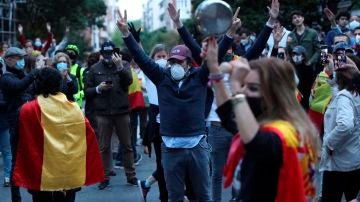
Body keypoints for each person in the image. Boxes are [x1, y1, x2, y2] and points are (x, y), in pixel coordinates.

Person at [205, 37, 320, 201]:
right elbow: (228, 115)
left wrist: (236, 85)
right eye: (244, 85)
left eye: (252, 88)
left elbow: (255, 142)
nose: (243, 91)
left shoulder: (284, 134)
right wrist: (215, 71)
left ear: (273, 95)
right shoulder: (268, 124)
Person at [118, 10, 213, 201]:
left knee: (203, 195)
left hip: (197, 145)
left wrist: (179, 24)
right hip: (170, 147)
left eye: (179, 61)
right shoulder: (162, 78)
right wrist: (126, 35)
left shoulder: (200, 76)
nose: (174, 65)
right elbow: (143, 59)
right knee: (175, 196)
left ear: (188, 63)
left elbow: (208, 58)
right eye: (171, 61)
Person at [12, 67, 104, 202]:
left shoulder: (27, 109)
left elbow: (17, 142)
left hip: (40, 173)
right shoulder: (73, 108)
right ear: (59, 84)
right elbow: (86, 137)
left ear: (37, 84)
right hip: (68, 173)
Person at [85, 40, 138, 189]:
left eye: (111, 53)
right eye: (106, 53)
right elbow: (87, 92)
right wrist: (98, 89)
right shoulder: (94, 69)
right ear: (101, 54)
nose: (109, 56)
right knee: (104, 147)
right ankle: (104, 177)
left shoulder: (124, 65)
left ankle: (131, 176)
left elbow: (128, 81)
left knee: (127, 146)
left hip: (122, 112)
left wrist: (120, 66)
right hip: (103, 113)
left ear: (115, 53)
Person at [319, 58, 360, 202]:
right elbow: (334, 85)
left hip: (338, 163)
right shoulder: (354, 94)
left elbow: (345, 125)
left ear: (342, 79)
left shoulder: (344, 97)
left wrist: (329, 143)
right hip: (353, 160)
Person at [0, 47, 38, 202]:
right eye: (18, 58)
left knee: (34, 156)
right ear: (8, 60)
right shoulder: (6, 78)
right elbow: (19, 86)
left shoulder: (21, 75)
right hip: (15, 124)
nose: (21, 61)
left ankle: (35, 190)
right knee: (15, 158)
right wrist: (33, 74)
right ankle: (16, 196)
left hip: (28, 121)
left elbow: (29, 89)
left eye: (23, 58)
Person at [0, 67, 11, 187]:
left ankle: (8, 176)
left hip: (4, 123)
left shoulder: (5, 84)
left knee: (7, 151)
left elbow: (7, 102)